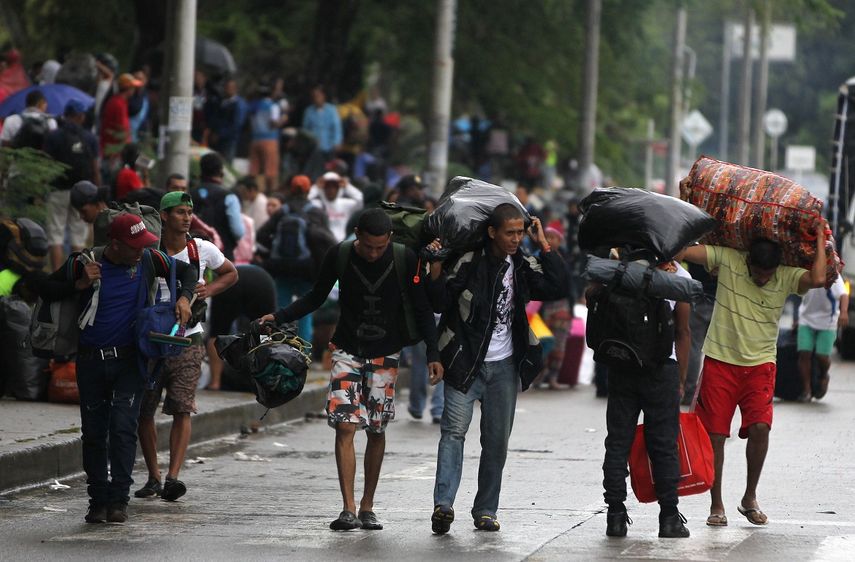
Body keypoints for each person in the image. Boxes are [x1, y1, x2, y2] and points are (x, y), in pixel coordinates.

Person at [259, 208, 443, 531]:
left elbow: (423, 308)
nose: (374, 253)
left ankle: (368, 506)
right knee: (345, 426)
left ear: (389, 240)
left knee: (376, 428)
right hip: (346, 350)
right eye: (369, 246)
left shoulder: (404, 257)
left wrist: (433, 352)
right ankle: (348, 508)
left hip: (386, 354)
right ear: (357, 234)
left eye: (380, 247)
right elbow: (316, 296)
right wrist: (279, 315)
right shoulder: (340, 254)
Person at [33, 213, 197, 524]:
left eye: (143, 245)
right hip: (90, 361)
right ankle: (97, 501)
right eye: (134, 246)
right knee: (94, 434)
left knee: (122, 429)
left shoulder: (149, 260)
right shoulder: (84, 261)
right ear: (115, 244)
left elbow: (188, 272)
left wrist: (186, 299)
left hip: (129, 362)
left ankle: (119, 500)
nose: (141, 251)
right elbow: (42, 286)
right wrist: (80, 283)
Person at [427, 205, 567, 534]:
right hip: (464, 361)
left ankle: (486, 509)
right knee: (453, 434)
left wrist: (543, 244)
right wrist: (434, 265)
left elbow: (557, 286)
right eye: (510, 233)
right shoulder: (469, 262)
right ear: (492, 233)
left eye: (520, 232)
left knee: (496, 443)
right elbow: (438, 302)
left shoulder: (521, 265)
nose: (516, 239)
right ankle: (443, 505)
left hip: (504, 367)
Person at [678, 228, 828, 527]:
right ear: (747, 262)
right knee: (716, 436)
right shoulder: (730, 259)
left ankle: (749, 497)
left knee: (761, 427)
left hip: (761, 364)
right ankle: (716, 503)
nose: (762, 279)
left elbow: (819, 278)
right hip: (720, 361)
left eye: (767, 275)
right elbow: (683, 252)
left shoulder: (785, 274)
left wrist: (822, 240)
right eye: (757, 273)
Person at [135, 191, 238, 501]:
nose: (186, 217)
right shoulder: (149, 250)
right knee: (144, 411)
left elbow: (231, 273)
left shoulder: (201, 249)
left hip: (188, 339)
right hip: (151, 341)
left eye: (189, 212)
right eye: (180, 212)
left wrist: (208, 292)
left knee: (183, 408)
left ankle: (172, 477)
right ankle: (153, 475)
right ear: (164, 216)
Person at [597, 257, 692, 539]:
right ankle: (669, 517)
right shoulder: (679, 276)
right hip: (662, 369)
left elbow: (595, 297)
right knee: (663, 445)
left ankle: (615, 516)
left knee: (617, 442)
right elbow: (683, 332)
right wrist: (682, 378)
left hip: (622, 365)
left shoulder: (621, 266)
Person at [42, 99, 98, 269]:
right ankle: (77, 274)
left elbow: (45, 163)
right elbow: (95, 168)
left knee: (56, 235)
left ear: (65, 115)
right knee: (78, 236)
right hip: (83, 193)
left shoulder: (53, 136)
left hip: (58, 190)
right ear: (81, 117)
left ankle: (58, 276)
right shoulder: (89, 137)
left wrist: (42, 188)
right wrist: (97, 192)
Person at [206, 264, 277, 390]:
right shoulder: (260, 276)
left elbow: (215, 338)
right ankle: (263, 380)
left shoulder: (225, 273)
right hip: (263, 283)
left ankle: (215, 382)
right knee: (265, 334)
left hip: (231, 284)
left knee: (216, 334)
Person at [796, 276, 848, 402]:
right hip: (806, 319)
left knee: (822, 356)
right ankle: (807, 390)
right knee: (804, 353)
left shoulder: (832, 272)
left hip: (827, 322)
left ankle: (824, 375)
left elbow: (844, 294)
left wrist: (844, 312)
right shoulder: (806, 268)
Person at [190, 152, 245, 261]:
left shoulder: (190, 194)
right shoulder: (229, 197)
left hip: (193, 253)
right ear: (221, 171)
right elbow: (238, 231)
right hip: (221, 256)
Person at [248, 85, 286, 192]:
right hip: (270, 140)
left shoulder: (253, 106)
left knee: (255, 170)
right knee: (270, 170)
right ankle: (269, 193)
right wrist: (283, 119)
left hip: (255, 139)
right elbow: (273, 123)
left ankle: (253, 192)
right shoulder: (273, 106)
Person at [100, 73, 142, 165]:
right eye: (133, 87)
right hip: (113, 155)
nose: (134, 90)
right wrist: (133, 154)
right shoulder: (119, 104)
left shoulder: (119, 102)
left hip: (114, 152)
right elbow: (122, 132)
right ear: (129, 89)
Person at [309, 171, 361, 242]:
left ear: (339, 189)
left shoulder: (345, 204)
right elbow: (306, 201)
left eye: (334, 187)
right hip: (324, 242)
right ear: (323, 188)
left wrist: (347, 186)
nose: (331, 190)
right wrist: (316, 186)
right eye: (328, 187)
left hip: (343, 242)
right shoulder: (317, 204)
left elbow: (360, 200)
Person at [205, 78, 247, 164]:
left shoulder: (239, 104)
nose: (227, 89)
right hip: (218, 139)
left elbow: (237, 124)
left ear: (235, 89)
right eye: (226, 87)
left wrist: (220, 134)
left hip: (229, 140)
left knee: (226, 164)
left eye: (230, 87)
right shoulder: (222, 102)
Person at [301, 85, 342, 161]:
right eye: (314, 96)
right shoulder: (309, 111)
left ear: (323, 96)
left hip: (328, 146)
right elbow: (305, 130)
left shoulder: (332, 110)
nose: (316, 99)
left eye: (318, 96)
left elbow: (337, 128)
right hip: (313, 148)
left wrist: (337, 142)